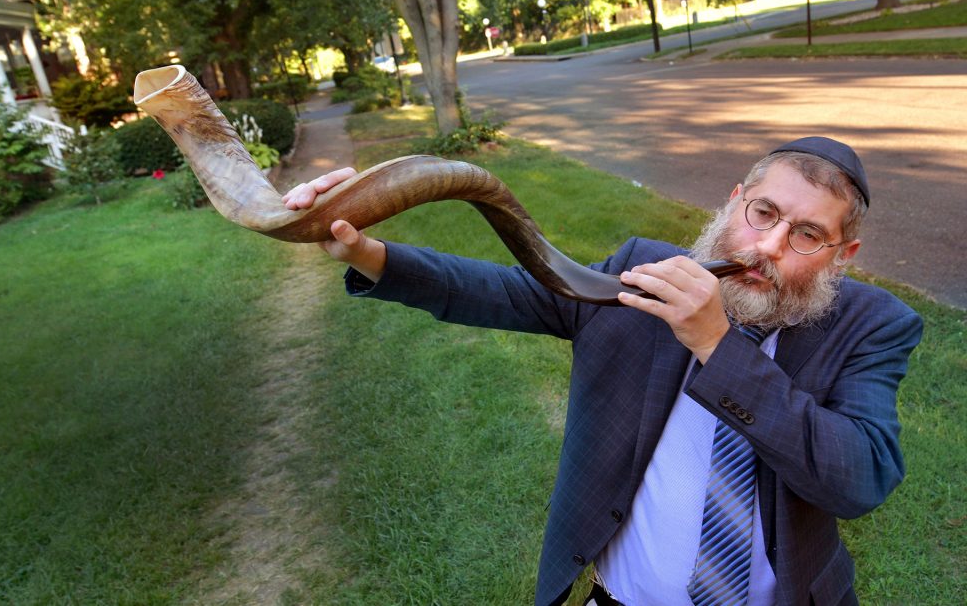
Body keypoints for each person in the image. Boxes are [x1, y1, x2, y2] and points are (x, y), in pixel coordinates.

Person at [282, 137, 923, 606]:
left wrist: (717, 345)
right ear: (734, 203)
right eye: (762, 214)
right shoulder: (646, 272)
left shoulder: (870, 325)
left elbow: (860, 478)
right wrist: (367, 252)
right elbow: (507, 291)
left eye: (808, 235)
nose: (768, 247)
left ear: (843, 256)